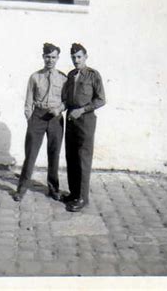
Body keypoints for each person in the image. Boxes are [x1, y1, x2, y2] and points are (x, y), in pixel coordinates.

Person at [13, 43, 67, 202]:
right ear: (43, 57)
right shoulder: (35, 77)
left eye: (53, 57)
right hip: (38, 116)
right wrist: (30, 118)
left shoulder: (63, 78)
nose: (50, 60)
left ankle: (53, 189)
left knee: (54, 154)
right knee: (30, 155)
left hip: (55, 117)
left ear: (57, 58)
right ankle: (21, 189)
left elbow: (66, 100)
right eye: (47, 57)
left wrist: (60, 109)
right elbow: (28, 101)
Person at [61, 43, 106, 212]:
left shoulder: (93, 75)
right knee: (71, 156)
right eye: (73, 57)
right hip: (71, 118)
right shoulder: (71, 75)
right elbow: (66, 98)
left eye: (79, 57)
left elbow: (101, 99)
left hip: (86, 120)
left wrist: (83, 110)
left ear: (86, 57)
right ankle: (73, 193)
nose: (76, 60)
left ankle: (82, 198)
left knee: (83, 158)